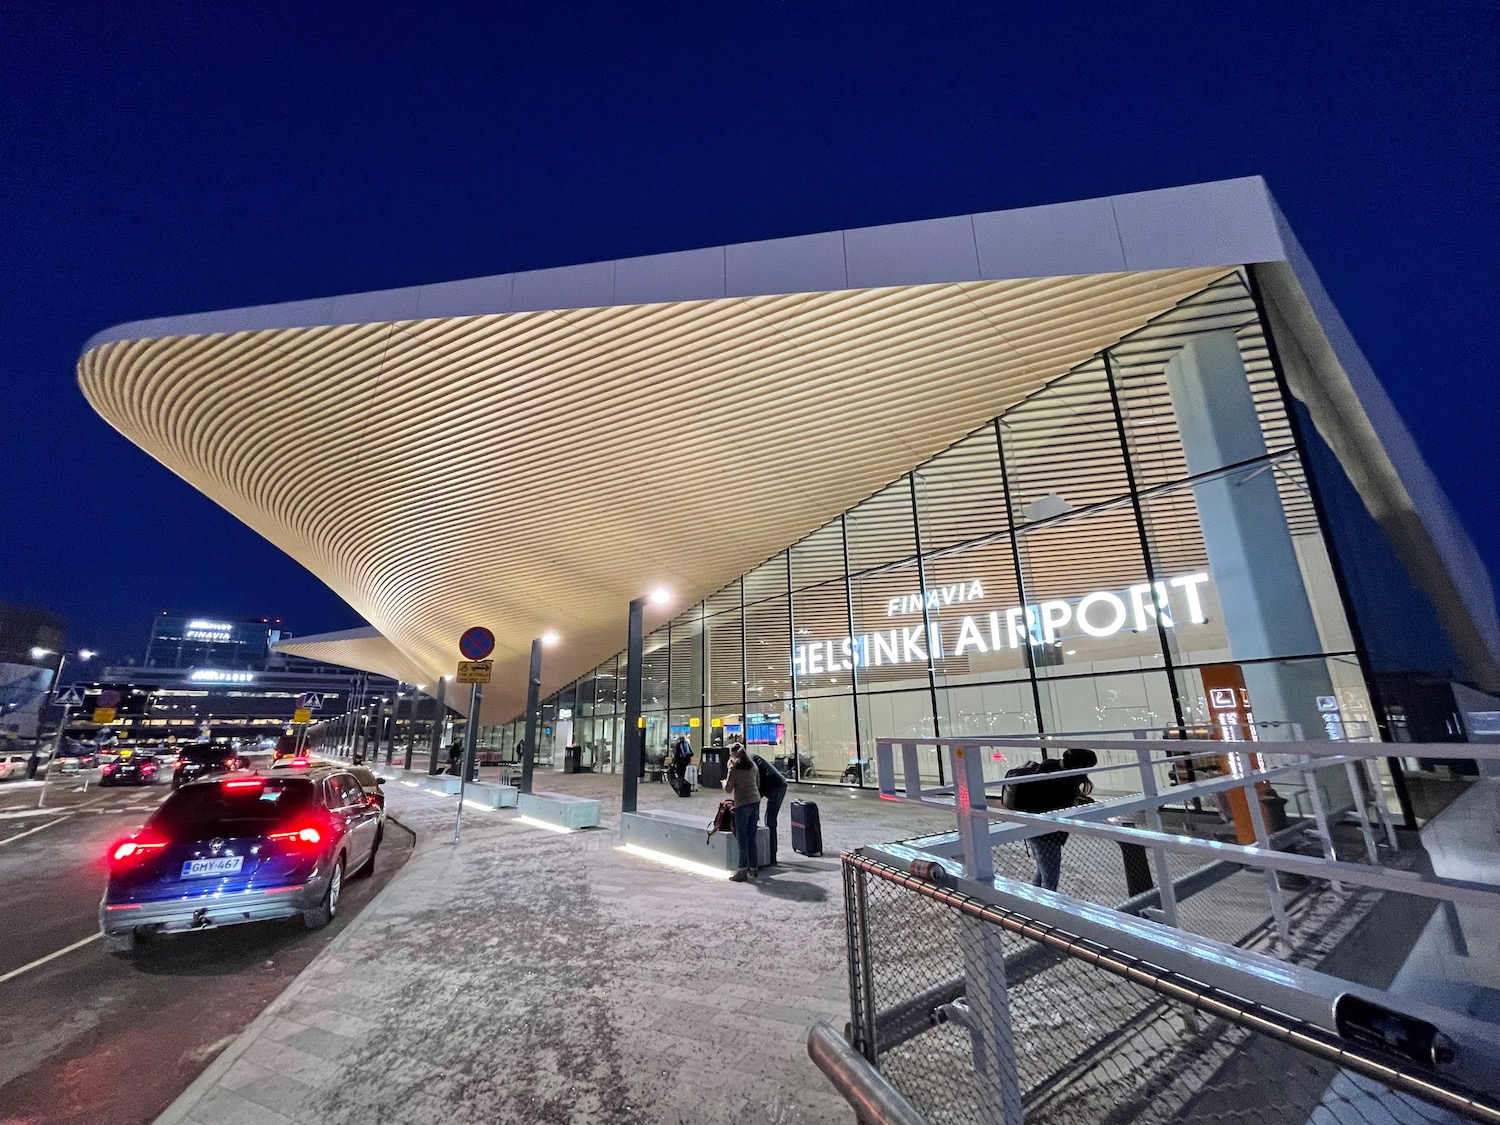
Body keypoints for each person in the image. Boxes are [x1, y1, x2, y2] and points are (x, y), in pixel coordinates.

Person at [1017, 746, 1096, 891]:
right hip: (1048, 834)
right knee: (1050, 880)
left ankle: (1034, 904)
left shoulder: (1049, 765)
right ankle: (1044, 909)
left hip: (1031, 826)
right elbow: (1067, 807)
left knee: (1042, 872)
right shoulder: (1067, 783)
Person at [722, 742, 761, 882]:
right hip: (755, 802)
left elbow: (728, 788)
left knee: (742, 838)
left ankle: (742, 870)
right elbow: (757, 784)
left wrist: (725, 777)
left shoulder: (735, 769)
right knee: (752, 837)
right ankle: (754, 868)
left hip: (742, 804)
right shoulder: (753, 766)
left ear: (732, 755)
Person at [750, 750, 788, 866]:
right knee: (768, 819)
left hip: (777, 786)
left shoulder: (751, 763)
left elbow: (755, 785)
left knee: (770, 820)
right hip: (772, 784)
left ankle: (772, 856)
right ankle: (770, 855)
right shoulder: (752, 758)